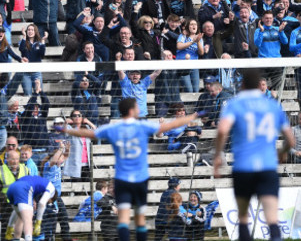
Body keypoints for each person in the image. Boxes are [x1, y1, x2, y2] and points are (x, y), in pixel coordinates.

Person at [59, 98, 198, 241]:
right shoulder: (142, 125)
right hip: (140, 179)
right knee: (139, 219)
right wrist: (192, 116)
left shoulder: (113, 128)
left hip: (122, 179)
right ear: (132, 110)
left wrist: (64, 129)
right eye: (137, 106)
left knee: (123, 218)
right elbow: (169, 126)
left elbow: (90, 134)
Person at [213, 69, 295, 241]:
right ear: (260, 86)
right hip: (267, 167)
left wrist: (218, 156)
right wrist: (282, 152)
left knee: (243, 218)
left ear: (242, 85)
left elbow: (222, 130)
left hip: (243, 167)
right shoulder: (272, 105)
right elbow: (291, 140)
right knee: (272, 219)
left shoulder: (235, 104)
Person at [6, 175, 56, 240]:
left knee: (21, 216)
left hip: (11, 188)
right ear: (51, 198)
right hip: (25, 187)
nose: (47, 202)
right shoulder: (52, 189)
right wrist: (38, 223)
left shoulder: (39, 183)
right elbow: (42, 203)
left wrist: (10, 226)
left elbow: (15, 211)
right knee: (28, 220)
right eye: (48, 202)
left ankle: (12, 234)